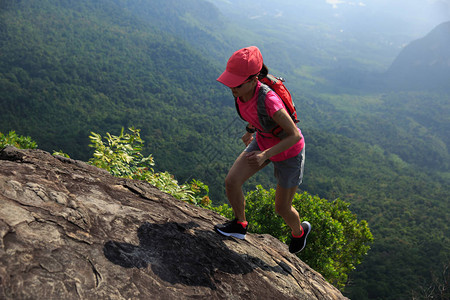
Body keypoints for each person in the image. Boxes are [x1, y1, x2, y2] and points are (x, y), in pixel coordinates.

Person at [214, 46, 311, 253]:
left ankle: (299, 232)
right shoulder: (242, 93)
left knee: (282, 208)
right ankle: (240, 225)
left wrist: (265, 155)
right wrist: (250, 130)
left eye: (236, 84)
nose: (232, 89)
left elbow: (294, 135)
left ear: (252, 79)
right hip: (263, 141)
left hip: (289, 151)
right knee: (232, 182)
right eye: (230, 83)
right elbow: (255, 116)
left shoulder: (270, 101)